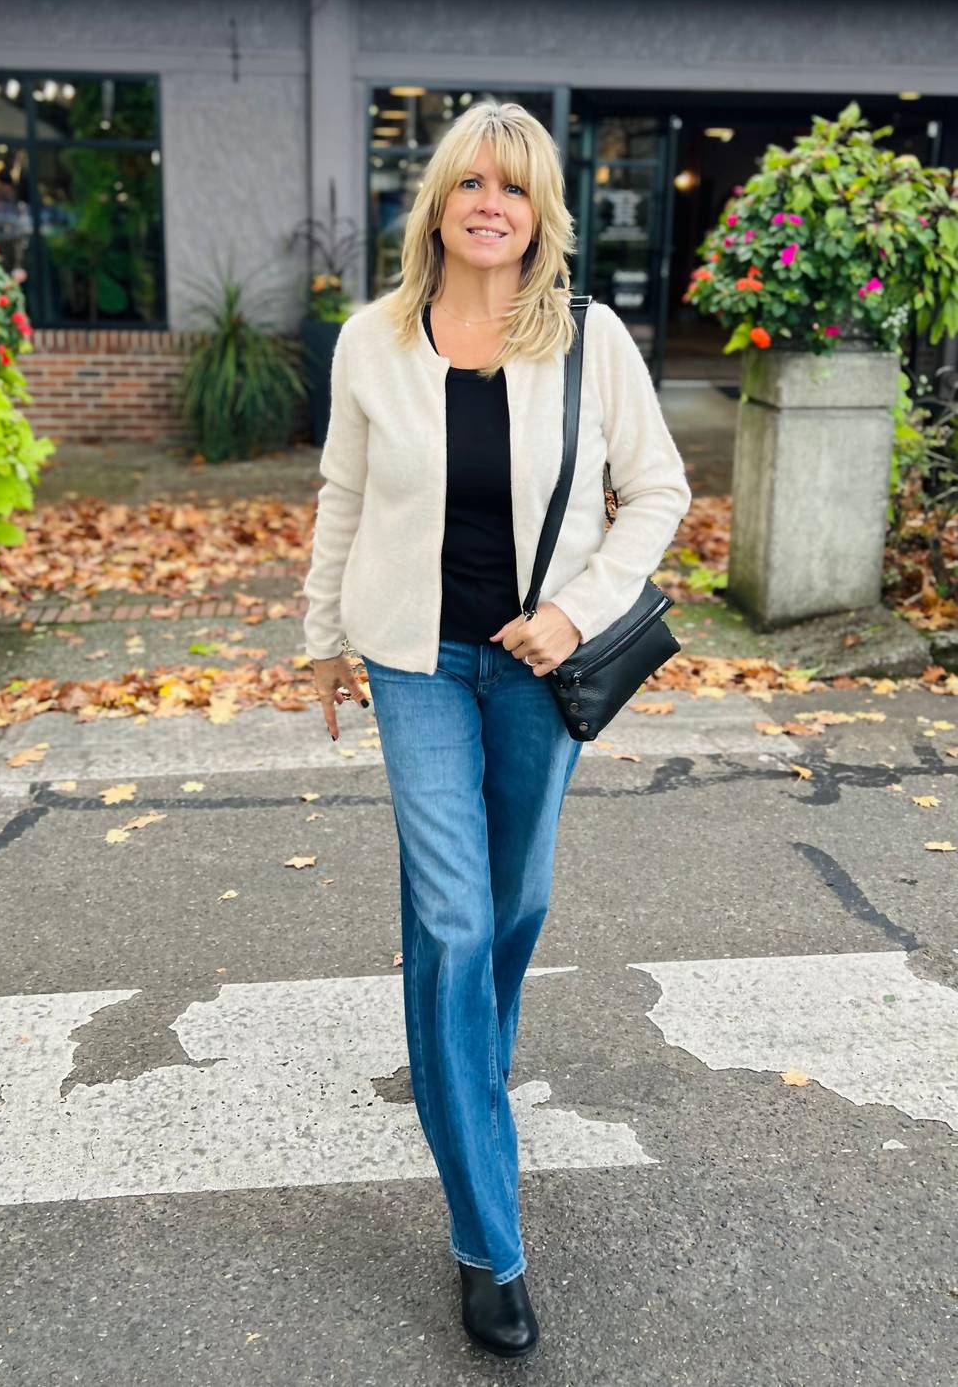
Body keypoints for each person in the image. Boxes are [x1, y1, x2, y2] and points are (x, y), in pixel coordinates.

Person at [302, 101, 692, 1359]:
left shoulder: (589, 339)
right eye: (469, 182)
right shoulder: (372, 340)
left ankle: (464, 1068)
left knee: (514, 907)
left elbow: (659, 491)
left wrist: (576, 611)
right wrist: (320, 636)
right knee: (454, 921)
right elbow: (344, 496)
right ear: (437, 203)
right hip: (412, 662)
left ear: (539, 212)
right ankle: (489, 1243)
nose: (489, 204)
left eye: (512, 187)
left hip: (537, 669)